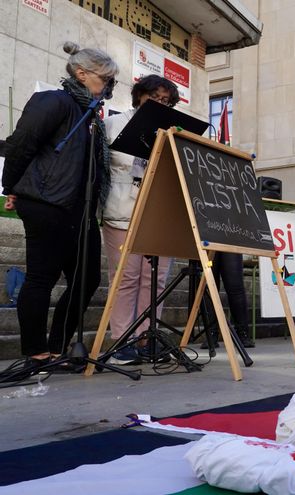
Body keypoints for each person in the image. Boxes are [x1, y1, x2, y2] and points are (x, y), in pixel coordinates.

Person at [1, 42, 118, 365]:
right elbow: (21, 145)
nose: (107, 86)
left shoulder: (89, 115)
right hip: (46, 201)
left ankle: (58, 345)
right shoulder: (53, 101)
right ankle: (36, 350)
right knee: (42, 276)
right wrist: (11, 186)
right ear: (81, 74)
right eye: (104, 79)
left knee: (87, 278)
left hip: (80, 209)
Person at [102, 75, 180, 364]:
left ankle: (149, 338)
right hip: (121, 210)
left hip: (158, 214)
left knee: (156, 279)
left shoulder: (172, 131)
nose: (159, 103)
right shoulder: (113, 123)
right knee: (126, 277)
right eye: (154, 97)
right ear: (139, 95)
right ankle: (121, 341)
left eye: (165, 101)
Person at [201, 252, 256, 348]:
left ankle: (243, 333)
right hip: (206, 240)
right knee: (208, 288)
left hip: (229, 240)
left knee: (235, 286)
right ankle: (211, 334)